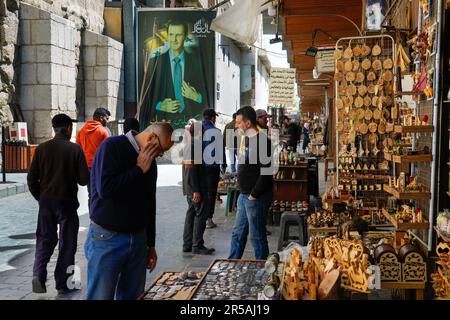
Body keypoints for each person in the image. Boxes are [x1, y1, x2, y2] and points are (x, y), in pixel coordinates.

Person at [84, 122, 174, 300]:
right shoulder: (112, 146)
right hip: (107, 238)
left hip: (137, 238)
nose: (160, 155)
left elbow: (150, 203)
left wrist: (150, 244)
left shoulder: (150, 163)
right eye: (160, 150)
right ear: (151, 139)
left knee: (133, 295)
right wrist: (138, 169)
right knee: (101, 296)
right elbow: (105, 190)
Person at [27, 114, 89, 295]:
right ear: (69, 128)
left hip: (46, 202)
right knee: (67, 243)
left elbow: (31, 179)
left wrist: (41, 198)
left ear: (54, 128)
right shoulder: (75, 150)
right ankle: (63, 282)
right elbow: (84, 180)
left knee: (45, 239)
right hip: (67, 203)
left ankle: (38, 274)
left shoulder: (41, 149)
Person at [139, 20, 209, 129]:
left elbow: (208, 97)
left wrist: (196, 97)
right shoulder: (156, 63)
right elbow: (145, 98)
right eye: (171, 34)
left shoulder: (196, 63)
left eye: (179, 35)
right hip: (164, 124)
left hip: (190, 124)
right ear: (167, 35)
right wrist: (160, 105)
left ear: (185, 36)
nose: (174, 40)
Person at [229, 106, 273, 260]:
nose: (236, 125)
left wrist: (254, 194)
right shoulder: (246, 139)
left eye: (239, 122)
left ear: (248, 123)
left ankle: (262, 271)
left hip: (256, 197)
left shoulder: (262, 141)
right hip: (244, 195)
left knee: (257, 237)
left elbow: (267, 172)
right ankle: (231, 264)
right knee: (238, 233)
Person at [181, 120, 216, 255]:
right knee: (201, 214)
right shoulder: (194, 145)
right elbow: (191, 170)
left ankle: (187, 244)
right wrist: (196, 190)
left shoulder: (190, 144)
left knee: (191, 213)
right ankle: (197, 244)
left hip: (189, 186)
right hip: (195, 187)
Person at [76, 107, 111, 203]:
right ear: (101, 118)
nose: (107, 121)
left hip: (86, 167)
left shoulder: (81, 131)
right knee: (102, 192)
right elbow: (108, 152)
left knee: (91, 193)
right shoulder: (103, 131)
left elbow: (78, 149)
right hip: (100, 167)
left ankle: (92, 215)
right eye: (106, 118)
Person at [201, 109, 225, 229]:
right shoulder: (216, 131)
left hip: (199, 168)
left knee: (201, 191)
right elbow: (221, 150)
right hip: (212, 167)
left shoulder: (196, 130)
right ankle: (208, 219)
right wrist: (224, 165)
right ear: (212, 118)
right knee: (211, 193)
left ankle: (200, 217)